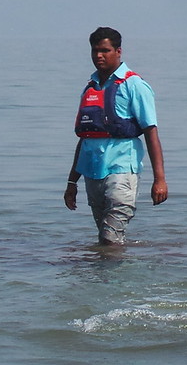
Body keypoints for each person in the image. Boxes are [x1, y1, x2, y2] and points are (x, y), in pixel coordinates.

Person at [63, 27, 168, 245]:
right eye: (95, 51)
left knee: (109, 238)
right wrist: (72, 181)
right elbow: (85, 137)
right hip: (93, 173)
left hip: (122, 170)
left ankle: (114, 275)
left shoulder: (134, 85)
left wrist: (160, 180)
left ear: (118, 51)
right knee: (106, 239)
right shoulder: (90, 88)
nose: (99, 56)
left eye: (105, 50)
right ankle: (107, 277)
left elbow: (151, 132)